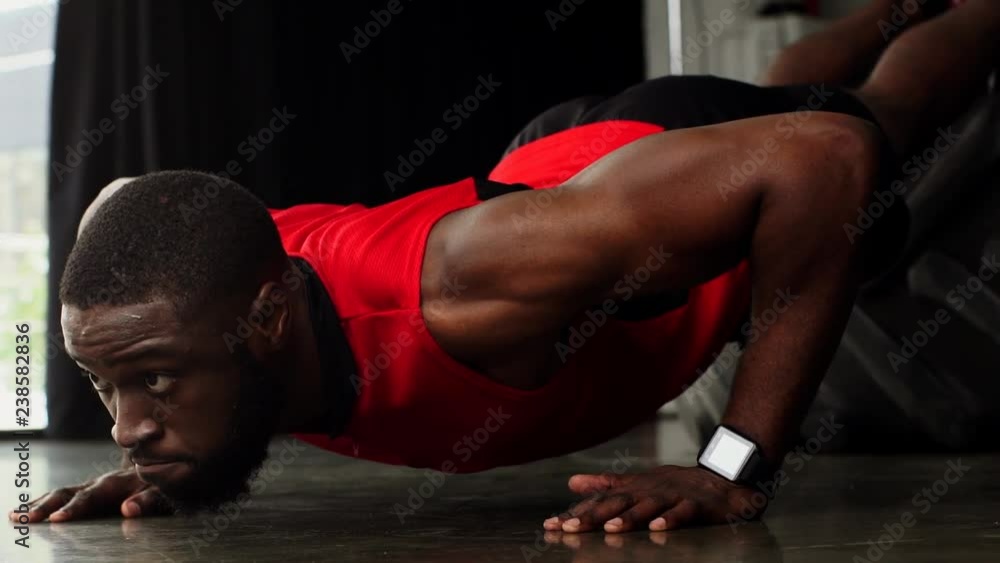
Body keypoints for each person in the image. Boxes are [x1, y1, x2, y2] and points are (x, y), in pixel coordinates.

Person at [10, 0, 996, 534]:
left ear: (269, 316)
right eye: (106, 382)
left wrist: (729, 465)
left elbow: (822, 158)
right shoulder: (209, 279)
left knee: (882, 115)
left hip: (628, 179)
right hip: (549, 179)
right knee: (782, 89)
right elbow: (118, 200)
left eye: (154, 380)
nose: (124, 425)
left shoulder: (459, 299)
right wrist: (179, 452)